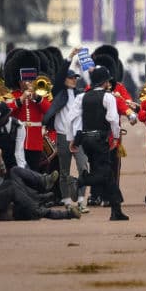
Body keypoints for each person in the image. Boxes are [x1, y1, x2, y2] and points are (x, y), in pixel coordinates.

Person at [70, 66, 128, 221]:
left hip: (85, 140)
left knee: (108, 174)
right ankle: (81, 181)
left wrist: (74, 140)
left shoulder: (81, 97)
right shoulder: (108, 97)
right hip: (100, 139)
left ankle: (116, 210)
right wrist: (115, 137)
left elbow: (74, 120)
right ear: (104, 82)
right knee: (104, 173)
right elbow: (113, 119)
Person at [44, 66, 89, 212]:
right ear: (64, 79)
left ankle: (82, 201)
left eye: (75, 78)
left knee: (83, 167)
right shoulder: (57, 93)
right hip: (62, 135)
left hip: (78, 136)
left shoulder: (80, 94)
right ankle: (67, 201)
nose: (74, 80)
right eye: (71, 77)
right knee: (64, 170)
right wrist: (70, 57)